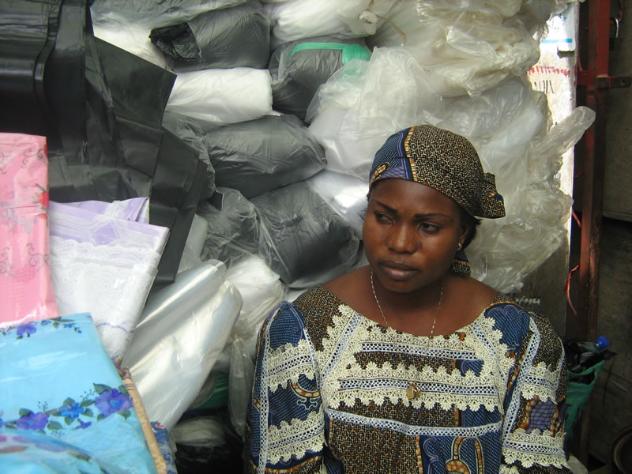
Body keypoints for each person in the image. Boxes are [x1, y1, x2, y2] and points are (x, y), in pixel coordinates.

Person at [245, 125, 570, 473]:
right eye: (384, 217)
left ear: (461, 233)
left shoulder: (521, 340)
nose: (400, 243)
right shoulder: (303, 330)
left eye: (428, 226)